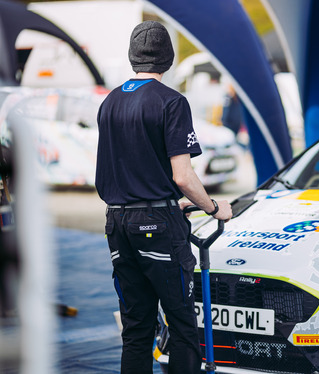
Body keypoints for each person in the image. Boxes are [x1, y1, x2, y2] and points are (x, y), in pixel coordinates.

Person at [95, 20, 232, 374]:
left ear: (132, 57)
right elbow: (183, 176)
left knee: (137, 328)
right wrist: (213, 207)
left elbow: (132, 164)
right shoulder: (171, 102)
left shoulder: (110, 101)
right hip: (157, 224)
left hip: (118, 221)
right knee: (183, 328)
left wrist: (169, 201)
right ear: (167, 59)